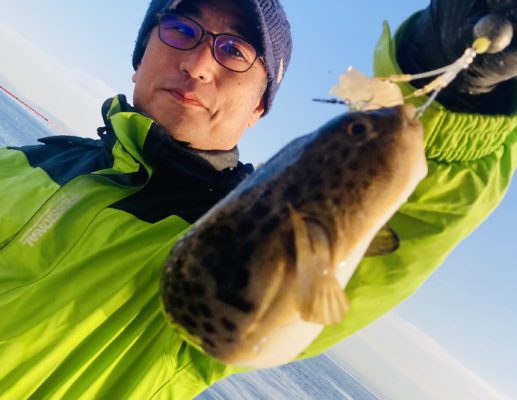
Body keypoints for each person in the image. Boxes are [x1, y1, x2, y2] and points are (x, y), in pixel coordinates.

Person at [0, 0, 515, 398]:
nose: (198, 63)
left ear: (258, 109)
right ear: (140, 58)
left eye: (235, 51)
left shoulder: (227, 246)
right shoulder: (22, 162)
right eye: (181, 29)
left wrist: (454, 92)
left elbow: (408, 215)